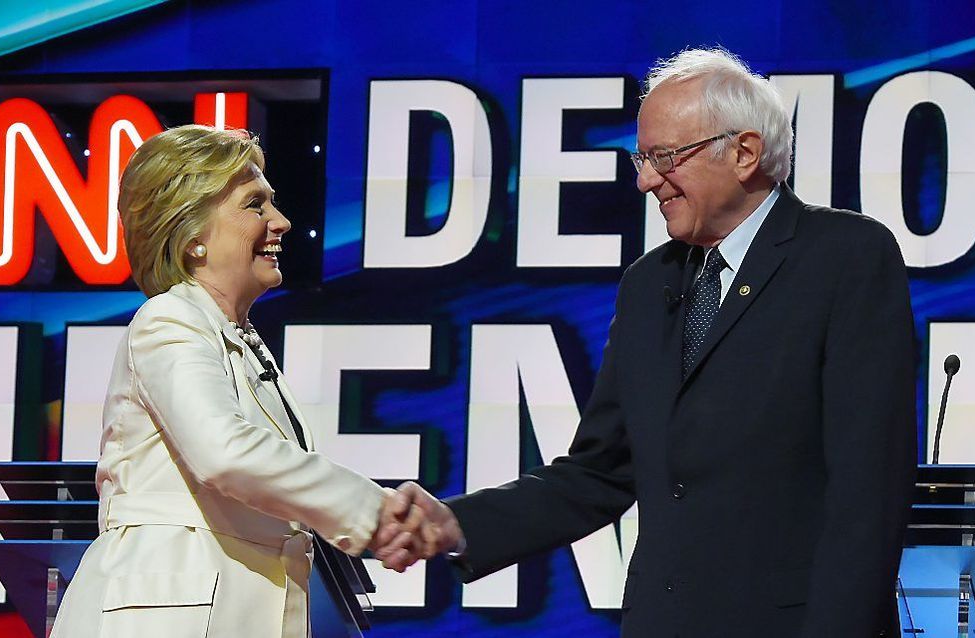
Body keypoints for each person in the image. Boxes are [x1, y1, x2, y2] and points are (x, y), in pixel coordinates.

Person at [380, 48, 918, 637]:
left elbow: (868, 489)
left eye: (665, 157)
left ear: (744, 152)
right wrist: (456, 523)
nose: (643, 180)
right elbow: (599, 472)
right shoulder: (648, 284)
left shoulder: (844, 256)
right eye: (643, 157)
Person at [52, 125, 431, 638]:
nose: (281, 222)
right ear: (192, 238)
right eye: (255, 205)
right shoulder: (169, 319)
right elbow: (224, 451)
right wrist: (372, 509)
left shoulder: (237, 338)